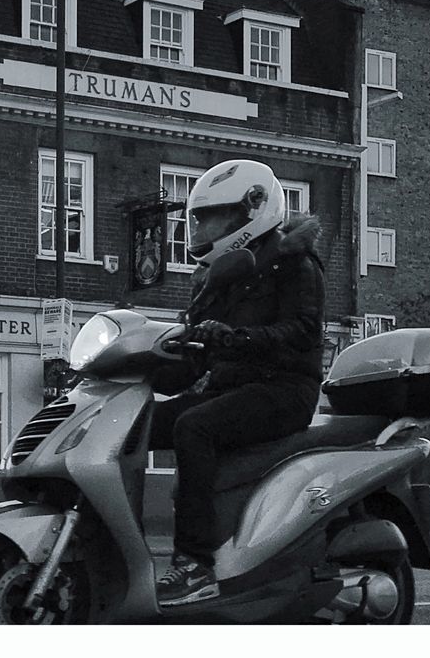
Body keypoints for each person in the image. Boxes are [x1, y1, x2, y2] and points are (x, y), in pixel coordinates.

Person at [150, 159, 326, 606]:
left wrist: (239, 338)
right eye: (201, 218)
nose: (205, 228)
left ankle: (194, 565)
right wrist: (153, 363)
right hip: (232, 388)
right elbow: (201, 352)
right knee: (134, 421)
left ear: (253, 209)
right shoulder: (219, 277)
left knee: (195, 427)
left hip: (284, 390)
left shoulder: (293, 262)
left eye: (217, 217)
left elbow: (305, 331)